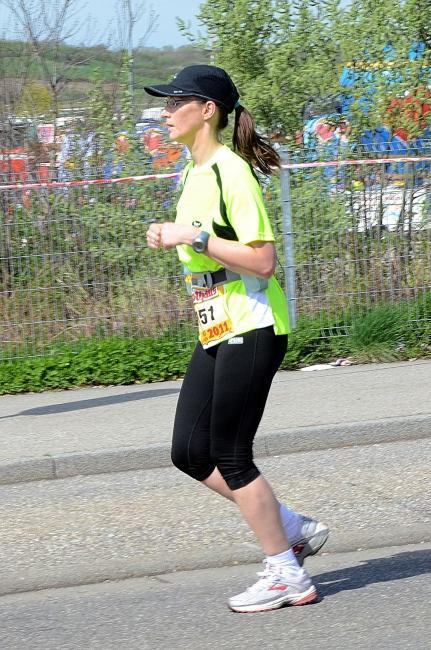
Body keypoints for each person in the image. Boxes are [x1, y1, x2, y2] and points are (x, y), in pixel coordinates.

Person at [145, 65, 329, 613]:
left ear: (208, 111)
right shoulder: (194, 173)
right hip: (219, 326)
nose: (166, 111)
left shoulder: (231, 172)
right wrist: (179, 237)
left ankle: (285, 574)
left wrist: (190, 235)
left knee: (229, 453)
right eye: (165, 102)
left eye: (177, 101)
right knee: (188, 451)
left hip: (253, 323)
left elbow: (263, 260)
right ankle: (289, 527)